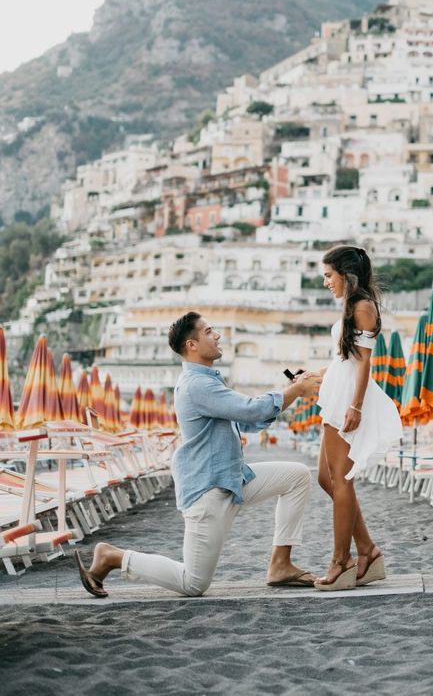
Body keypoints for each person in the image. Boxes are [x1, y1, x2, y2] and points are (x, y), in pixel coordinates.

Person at [74, 311, 322, 598]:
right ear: (192, 344)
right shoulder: (197, 385)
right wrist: (295, 390)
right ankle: (112, 557)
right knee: (193, 583)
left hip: (232, 478)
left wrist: (292, 391)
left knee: (297, 476)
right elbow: (252, 409)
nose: (216, 336)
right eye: (209, 331)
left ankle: (281, 564)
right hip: (208, 490)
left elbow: (246, 421)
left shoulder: (208, 381)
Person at [314, 245, 403, 591]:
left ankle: (342, 560)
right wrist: (314, 374)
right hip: (337, 392)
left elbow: (366, 362)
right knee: (327, 479)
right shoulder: (351, 307)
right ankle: (367, 549)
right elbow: (347, 360)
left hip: (349, 399)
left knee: (341, 479)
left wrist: (356, 406)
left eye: (328, 275)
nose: (326, 283)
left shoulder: (363, 306)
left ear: (346, 275)